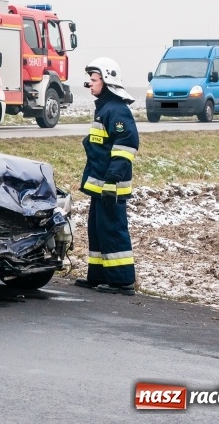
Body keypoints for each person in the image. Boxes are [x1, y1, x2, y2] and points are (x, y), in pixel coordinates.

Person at [75, 57, 139, 295]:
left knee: (112, 230)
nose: (89, 84)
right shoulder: (105, 108)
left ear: (107, 81)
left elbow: (126, 146)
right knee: (97, 229)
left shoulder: (117, 110)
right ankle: (99, 275)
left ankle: (121, 281)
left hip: (111, 186)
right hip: (101, 185)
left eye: (93, 80)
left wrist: (111, 180)